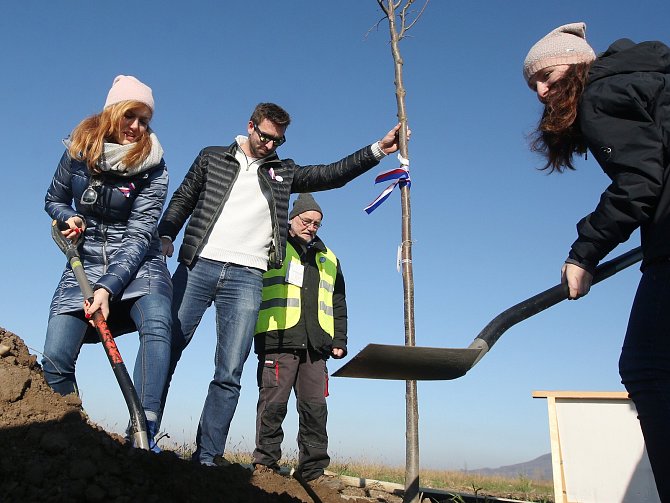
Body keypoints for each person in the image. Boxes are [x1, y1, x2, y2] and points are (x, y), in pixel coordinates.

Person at [157, 102, 404, 466]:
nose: (270, 145)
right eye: (265, 136)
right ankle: (141, 433)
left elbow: (331, 174)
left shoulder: (281, 172)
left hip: (246, 276)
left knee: (229, 372)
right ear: (250, 125)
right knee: (164, 349)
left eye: (278, 140)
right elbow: (183, 198)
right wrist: (166, 234)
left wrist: (378, 150)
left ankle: (207, 458)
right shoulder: (212, 157)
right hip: (199, 265)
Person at [523, 22, 670, 500]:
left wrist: (585, 251)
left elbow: (640, 183)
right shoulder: (646, 77)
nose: (542, 92)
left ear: (578, 63)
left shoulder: (600, 92)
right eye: (534, 86)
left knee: (648, 368)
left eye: (546, 76)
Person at [43, 75, 172, 453]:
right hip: (83, 266)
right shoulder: (78, 150)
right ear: (113, 113)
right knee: (55, 357)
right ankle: (75, 437)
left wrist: (107, 288)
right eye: (130, 116)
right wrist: (69, 217)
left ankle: (143, 431)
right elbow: (53, 198)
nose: (136, 127)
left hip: (138, 266)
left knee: (159, 322)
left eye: (144, 120)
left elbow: (139, 236)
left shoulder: (154, 166)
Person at [252, 193, 346, 489]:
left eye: (317, 223)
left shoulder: (329, 258)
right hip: (279, 339)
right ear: (292, 218)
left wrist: (339, 339)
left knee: (315, 410)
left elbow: (339, 302)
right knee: (273, 404)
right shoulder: (272, 244)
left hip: (317, 347)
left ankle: (313, 472)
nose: (311, 227)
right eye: (306, 220)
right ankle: (265, 464)